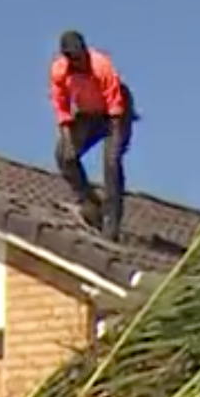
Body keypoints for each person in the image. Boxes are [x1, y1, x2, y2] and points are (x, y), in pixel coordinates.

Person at [49, 30, 136, 241]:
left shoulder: (101, 65)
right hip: (88, 114)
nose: (76, 62)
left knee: (111, 162)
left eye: (79, 56)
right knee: (64, 156)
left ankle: (111, 221)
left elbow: (115, 105)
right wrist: (67, 138)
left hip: (116, 114)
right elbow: (61, 107)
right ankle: (89, 203)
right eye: (71, 58)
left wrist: (115, 139)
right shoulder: (59, 71)